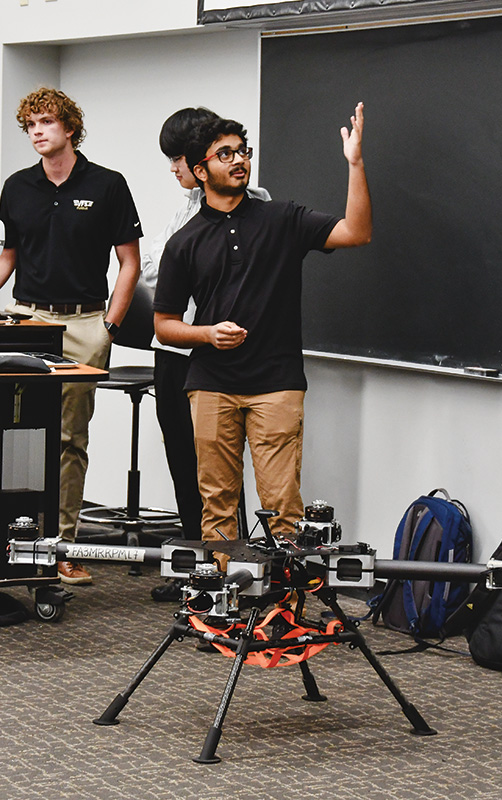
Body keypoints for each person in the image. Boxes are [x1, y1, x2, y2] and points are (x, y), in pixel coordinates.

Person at [153, 102, 369, 545]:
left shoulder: (282, 218)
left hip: (277, 381)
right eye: (226, 153)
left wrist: (356, 163)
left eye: (243, 151)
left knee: (282, 508)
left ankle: (282, 609)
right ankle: (217, 607)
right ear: (200, 169)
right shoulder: (184, 242)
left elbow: (356, 232)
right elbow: (164, 326)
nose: (239, 160)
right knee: (216, 504)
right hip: (211, 383)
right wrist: (207, 334)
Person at [0, 87, 142, 585]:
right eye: (30, 126)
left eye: (46, 122)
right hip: (26, 321)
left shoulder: (108, 185)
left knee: (68, 440)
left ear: (69, 127)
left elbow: (128, 263)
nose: (37, 132)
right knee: (13, 433)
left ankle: (63, 545)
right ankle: (10, 536)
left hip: (86, 324)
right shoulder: (17, 187)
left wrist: (108, 326)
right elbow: (6, 258)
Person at [139, 108, 271, 600]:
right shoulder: (187, 207)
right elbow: (154, 269)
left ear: (198, 162)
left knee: (215, 468)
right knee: (182, 458)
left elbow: (158, 267)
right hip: (172, 345)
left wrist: (173, 258)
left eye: (177, 159)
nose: (173, 170)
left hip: (212, 350)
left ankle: (228, 570)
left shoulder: (247, 204)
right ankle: (199, 564)